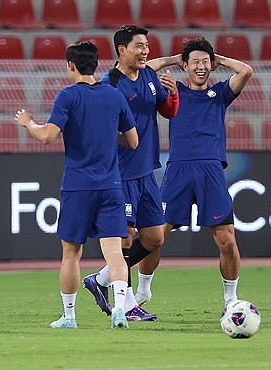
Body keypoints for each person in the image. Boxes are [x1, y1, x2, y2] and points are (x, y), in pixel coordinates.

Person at [14, 41, 139, 329]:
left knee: (71, 254)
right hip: (111, 185)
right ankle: (120, 311)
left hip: (78, 186)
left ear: (71, 65)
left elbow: (47, 136)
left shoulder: (68, 96)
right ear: (96, 64)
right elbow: (133, 141)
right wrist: (109, 135)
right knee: (115, 252)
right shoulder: (114, 96)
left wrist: (28, 123)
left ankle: (69, 317)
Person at [133, 37, 253, 307]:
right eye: (195, 62)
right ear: (185, 65)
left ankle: (231, 299)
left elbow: (245, 71)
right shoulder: (172, 92)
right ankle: (143, 291)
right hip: (177, 170)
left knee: (228, 242)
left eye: (205, 62)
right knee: (154, 237)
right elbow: (143, 72)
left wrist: (218, 59)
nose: (201, 67)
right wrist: (174, 59)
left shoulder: (221, 93)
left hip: (211, 170)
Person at [82, 25, 179, 321]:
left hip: (147, 170)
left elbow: (168, 111)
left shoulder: (149, 75)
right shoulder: (109, 85)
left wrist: (173, 94)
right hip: (119, 173)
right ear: (122, 49)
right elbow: (96, 127)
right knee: (124, 238)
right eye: (139, 46)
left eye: (147, 46)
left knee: (154, 239)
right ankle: (125, 305)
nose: (145, 51)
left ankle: (99, 280)